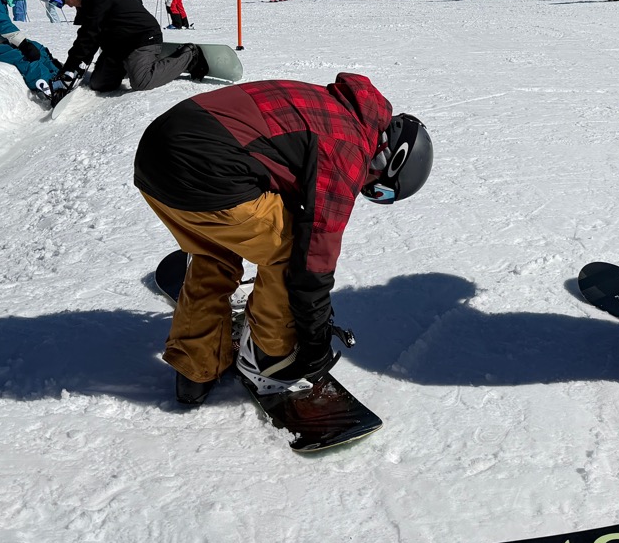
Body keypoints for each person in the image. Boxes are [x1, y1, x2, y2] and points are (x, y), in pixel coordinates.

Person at [133, 74, 432, 405]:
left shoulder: (336, 108)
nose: (367, 188)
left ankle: (195, 368)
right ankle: (270, 358)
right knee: (289, 253)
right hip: (207, 172)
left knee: (217, 251)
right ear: (389, 159)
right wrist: (313, 336)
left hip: (156, 159)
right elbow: (314, 256)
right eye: (377, 188)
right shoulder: (349, 146)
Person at [50, 0, 210, 94]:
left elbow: (89, 36)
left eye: (63, 1)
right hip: (118, 45)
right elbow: (87, 37)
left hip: (141, 38)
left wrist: (72, 67)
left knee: (141, 82)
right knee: (99, 84)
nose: (66, 6)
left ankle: (189, 55)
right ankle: (132, 65)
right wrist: (71, 68)